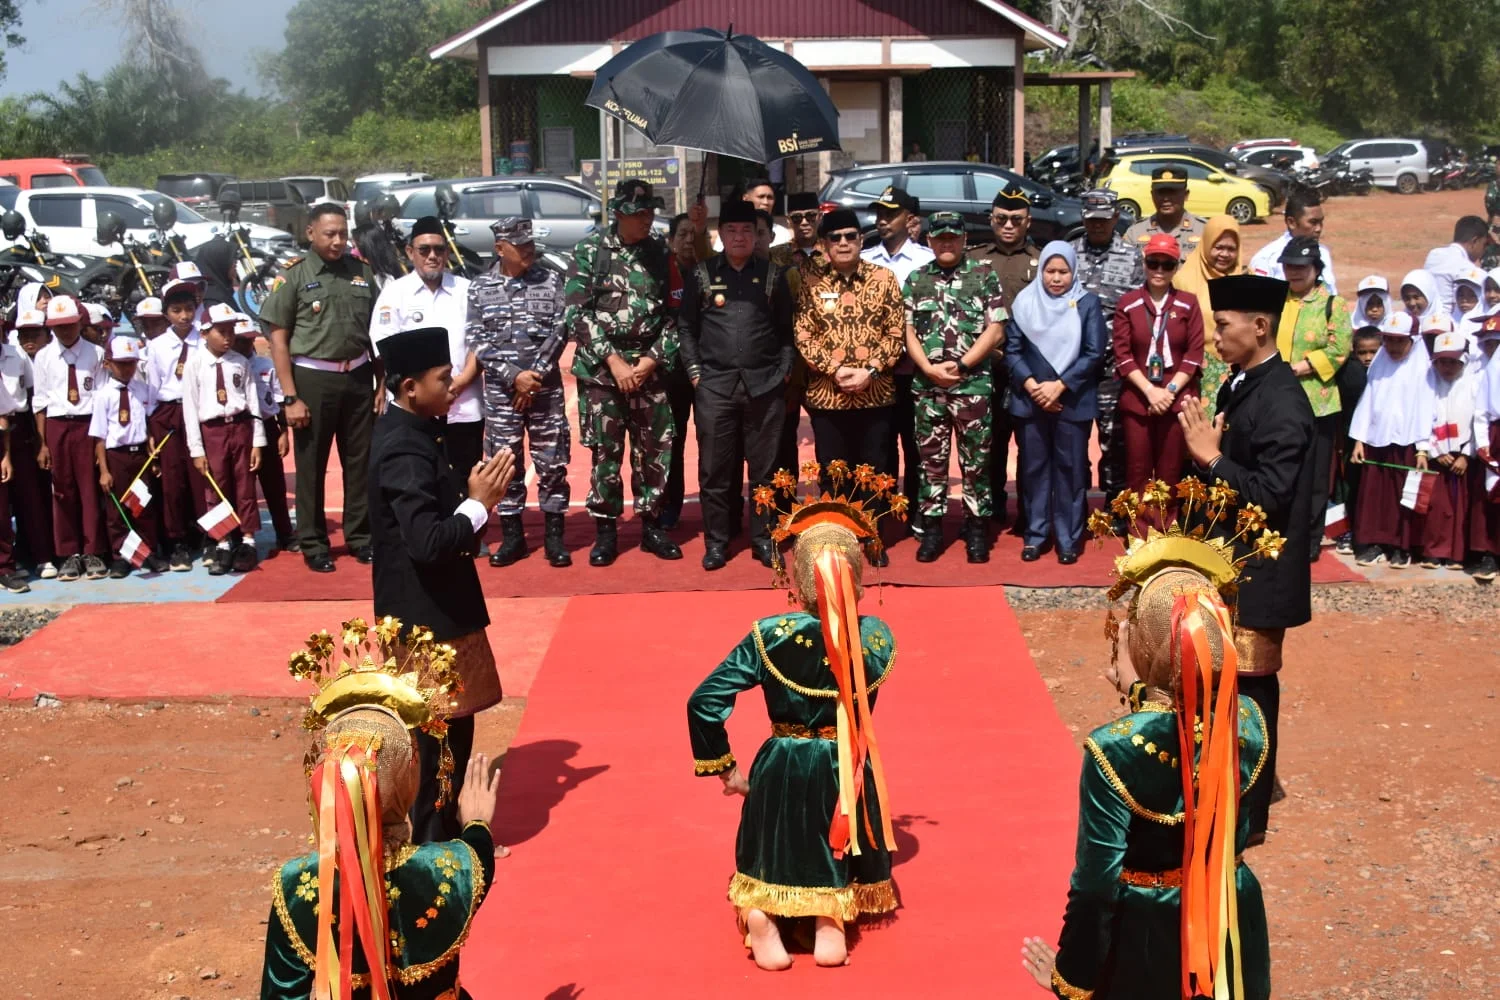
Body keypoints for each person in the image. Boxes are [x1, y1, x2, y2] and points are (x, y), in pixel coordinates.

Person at [1021, 508, 1275, 1000]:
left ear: (1142, 643)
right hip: (1229, 923)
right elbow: (1189, 719)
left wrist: (1072, 974)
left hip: (1152, 938)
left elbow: (1096, 884)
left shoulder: (1112, 750)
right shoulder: (1248, 720)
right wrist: (1143, 692)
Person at [688, 481, 899, 971]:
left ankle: (762, 915)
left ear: (798, 578)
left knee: (771, 840)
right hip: (845, 760)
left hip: (782, 759)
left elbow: (704, 700)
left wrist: (726, 769)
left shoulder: (769, 635)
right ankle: (828, 923)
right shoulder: (876, 637)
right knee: (835, 836)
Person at [258, 620, 502, 999]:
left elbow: (281, 995)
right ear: (409, 782)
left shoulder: (297, 888)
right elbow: (480, 852)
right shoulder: (455, 867)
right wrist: (477, 821)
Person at [1179, 273, 1315, 844]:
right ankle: (1224, 788)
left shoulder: (1284, 401)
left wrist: (1210, 459)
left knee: (1254, 692)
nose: (1215, 337)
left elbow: (1270, 496)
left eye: (1224, 325)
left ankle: (1247, 814)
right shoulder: (1243, 383)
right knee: (1224, 685)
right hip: (1234, 564)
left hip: (1263, 574)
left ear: (1259, 327)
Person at [369, 326, 515, 844]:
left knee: (451, 731)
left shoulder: (416, 433)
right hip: (425, 618)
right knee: (435, 741)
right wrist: (479, 502)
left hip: (437, 610)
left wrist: (473, 497)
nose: (453, 385)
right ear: (410, 387)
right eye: (442, 378)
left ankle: (447, 828)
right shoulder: (404, 449)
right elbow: (428, 542)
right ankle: (435, 845)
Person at [563, 178, 682, 567]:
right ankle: (606, 533)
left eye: (649, 212)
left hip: (650, 369)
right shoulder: (589, 251)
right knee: (606, 453)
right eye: (637, 214)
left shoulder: (660, 253)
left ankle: (652, 527)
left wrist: (650, 361)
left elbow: (675, 314)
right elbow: (576, 313)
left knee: (655, 452)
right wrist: (614, 361)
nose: (646, 220)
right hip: (603, 374)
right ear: (618, 214)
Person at [261, 203, 380, 574]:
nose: (338, 241)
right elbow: (278, 340)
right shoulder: (293, 276)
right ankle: (313, 542)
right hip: (313, 378)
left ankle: (361, 537)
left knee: (360, 464)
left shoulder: (361, 273)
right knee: (311, 465)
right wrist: (290, 396)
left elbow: (376, 333)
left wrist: (380, 383)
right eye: (330, 233)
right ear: (310, 233)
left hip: (359, 376)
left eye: (343, 233)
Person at [679, 199, 793, 571]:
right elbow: (687, 328)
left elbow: (786, 331)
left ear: (756, 234)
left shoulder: (773, 275)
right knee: (715, 470)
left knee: (765, 470)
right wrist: (696, 372)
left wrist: (784, 371)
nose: (740, 236)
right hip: (715, 387)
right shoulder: (701, 274)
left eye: (747, 230)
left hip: (765, 385)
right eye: (732, 230)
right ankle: (716, 542)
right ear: (720, 234)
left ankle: (764, 538)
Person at [793, 209, 905, 566]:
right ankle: (840, 538)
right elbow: (803, 334)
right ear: (824, 244)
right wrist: (836, 369)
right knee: (834, 470)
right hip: (829, 396)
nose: (844, 243)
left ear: (861, 239)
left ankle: (872, 536)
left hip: (875, 393)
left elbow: (896, 332)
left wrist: (869, 370)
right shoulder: (809, 281)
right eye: (836, 237)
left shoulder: (884, 279)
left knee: (876, 469)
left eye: (851, 236)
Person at [468, 217, 572, 569]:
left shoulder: (551, 279)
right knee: (505, 465)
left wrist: (534, 377)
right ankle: (512, 537)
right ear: (500, 248)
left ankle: (554, 539)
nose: (529, 249)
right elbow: (477, 340)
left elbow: (561, 329)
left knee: (552, 463)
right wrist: (514, 377)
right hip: (502, 394)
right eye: (520, 244)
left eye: (530, 242)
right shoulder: (480, 287)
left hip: (545, 392)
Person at [903, 211, 1006, 563]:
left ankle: (977, 531)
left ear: (964, 240)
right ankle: (931, 531)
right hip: (928, 388)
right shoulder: (917, 279)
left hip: (972, 384)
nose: (946, 243)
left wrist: (962, 365)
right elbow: (908, 332)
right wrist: (929, 369)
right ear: (929, 241)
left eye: (953, 237)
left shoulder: (984, 275)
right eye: (940, 237)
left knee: (976, 462)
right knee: (931, 463)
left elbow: (996, 329)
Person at [370, 216, 482, 518]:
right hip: (416, 405)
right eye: (424, 250)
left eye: (439, 249)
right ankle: (427, 526)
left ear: (447, 252)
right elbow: (384, 347)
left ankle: (467, 527)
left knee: (464, 468)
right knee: (422, 467)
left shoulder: (467, 290)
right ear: (410, 252)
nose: (432, 256)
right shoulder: (395, 294)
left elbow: (480, 343)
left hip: (464, 399)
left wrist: (459, 382)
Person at [1006, 241, 1107, 564]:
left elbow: (1094, 352)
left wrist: (1060, 386)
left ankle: (1068, 538)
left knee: (1071, 470)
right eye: (1050, 270)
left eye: (1064, 271)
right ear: (1041, 270)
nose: (1056, 278)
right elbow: (1012, 349)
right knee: (1034, 470)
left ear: (1074, 271)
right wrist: (1035, 386)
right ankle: (1036, 535)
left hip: (1072, 401)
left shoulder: (1087, 304)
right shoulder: (1025, 302)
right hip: (1030, 399)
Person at [1275, 236, 1353, 560]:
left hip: (1318, 400)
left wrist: (1303, 367)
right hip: (1278, 400)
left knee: (1316, 473)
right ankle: (1278, 534)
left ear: (1316, 269)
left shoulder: (1333, 304)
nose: (1293, 272)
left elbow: (1339, 348)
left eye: (1300, 267)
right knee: (1281, 467)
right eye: (1289, 266)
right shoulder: (1278, 298)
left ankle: (1309, 540)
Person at [969, 185, 1041, 527]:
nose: (1008, 225)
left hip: (1028, 368)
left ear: (1028, 222)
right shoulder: (974, 258)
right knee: (989, 442)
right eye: (1001, 219)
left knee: (1030, 444)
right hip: (987, 366)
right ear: (991, 220)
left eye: (1016, 219)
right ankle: (993, 507)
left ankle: (1029, 510)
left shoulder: (1042, 262)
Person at [1113, 234, 1204, 503]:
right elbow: (1123, 354)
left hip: (1176, 400)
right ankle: (1138, 535)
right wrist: (1151, 392)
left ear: (1177, 266)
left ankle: (1167, 533)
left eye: (1168, 264)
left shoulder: (1188, 303)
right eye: (1154, 263)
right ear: (1144, 263)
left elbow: (1193, 354)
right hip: (1139, 399)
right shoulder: (1128, 303)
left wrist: (1169, 392)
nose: (1159, 270)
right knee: (1138, 471)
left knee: (1171, 473)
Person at [862, 186, 935, 511]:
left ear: (911, 219)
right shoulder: (864, 259)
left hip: (917, 369)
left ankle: (919, 509)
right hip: (878, 370)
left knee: (917, 443)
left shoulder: (927, 260)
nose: (883, 220)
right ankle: (885, 508)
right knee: (880, 444)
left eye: (891, 214)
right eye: (880, 213)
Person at [1072, 189, 1146, 507]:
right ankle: (1075, 502)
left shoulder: (1132, 256)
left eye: (1104, 220)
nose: (1098, 226)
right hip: (1074, 366)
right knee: (1073, 438)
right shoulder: (1069, 254)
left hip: (1113, 367)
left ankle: (1116, 503)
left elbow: (1139, 310)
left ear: (1116, 218)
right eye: (1092, 221)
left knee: (1113, 437)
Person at [183, 302, 265, 576]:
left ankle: (248, 539)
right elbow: (190, 409)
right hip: (212, 431)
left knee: (244, 484)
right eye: (221, 331)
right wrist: (196, 449)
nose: (228, 337)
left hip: (240, 427)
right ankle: (222, 541)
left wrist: (257, 442)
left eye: (231, 331)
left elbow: (253, 402)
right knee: (216, 487)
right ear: (205, 333)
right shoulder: (195, 365)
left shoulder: (240, 363)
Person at [1348, 312, 1435, 570]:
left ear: (1412, 340)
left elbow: (1425, 407)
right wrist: (1359, 439)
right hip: (1377, 441)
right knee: (1375, 496)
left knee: (1403, 496)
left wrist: (1422, 448)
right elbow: (1369, 401)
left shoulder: (1422, 368)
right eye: (1389, 341)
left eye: (1400, 341)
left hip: (1407, 444)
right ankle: (1374, 542)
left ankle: (1401, 546)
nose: (1394, 347)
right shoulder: (1379, 364)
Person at [33, 295, 108, 582]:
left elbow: (101, 399)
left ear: (80, 322)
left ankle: (93, 550)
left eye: (70, 324)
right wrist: (42, 443)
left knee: (89, 487)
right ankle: (69, 552)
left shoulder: (95, 354)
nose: (65, 331)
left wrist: (98, 439)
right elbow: (40, 402)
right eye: (58, 326)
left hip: (87, 424)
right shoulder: (44, 356)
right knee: (61, 489)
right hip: (57, 425)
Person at [89, 335, 166, 579]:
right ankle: (120, 555)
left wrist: (152, 455)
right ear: (108, 364)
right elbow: (99, 436)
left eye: (131, 363)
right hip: (117, 456)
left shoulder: (142, 389)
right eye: (121, 364)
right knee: (116, 509)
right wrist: (104, 470)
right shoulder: (103, 395)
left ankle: (148, 551)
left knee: (142, 505)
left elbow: (149, 422)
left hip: (139, 455)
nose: (127, 369)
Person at [144, 280, 208, 572]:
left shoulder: (205, 342)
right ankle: (176, 542)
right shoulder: (156, 347)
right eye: (177, 310)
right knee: (172, 481)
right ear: (166, 314)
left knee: (202, 477)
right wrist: (150, 428)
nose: (184, 316)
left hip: (198, 411)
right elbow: (152, 389)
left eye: (189, 309)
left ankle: (206, 535)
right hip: (168, 413)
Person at [769, 193, 829, 473]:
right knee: (781, 440)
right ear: (787, 221)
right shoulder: (776, 256)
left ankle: (835, 504)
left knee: (830, 438)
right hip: (787, 360)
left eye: (810, 216)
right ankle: (784, 507)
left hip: (825, 361)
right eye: (797, 218)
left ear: (820, 216)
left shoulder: (834, 253)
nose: (804, 222)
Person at [236, 314, 295, 555]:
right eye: (240, 339)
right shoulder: (229, 366)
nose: (245, 344)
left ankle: (285, 534)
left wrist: (283, 432)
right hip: (240, 429)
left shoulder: (265, 366)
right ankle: (242, 537)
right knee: (242, 486)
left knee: (274, 484)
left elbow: (279, 399)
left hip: (268, 425)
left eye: (249, 339)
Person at [1173, 215, 1245, 412]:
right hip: (1195, 374)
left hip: (1239, 371)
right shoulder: (1183, 282)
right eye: (1218, 247)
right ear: (1206, 244)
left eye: (1231, 249)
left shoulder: (1246, 281)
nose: (1224, 254)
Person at [1418, 329, 1477, 570]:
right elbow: (1422, 418)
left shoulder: (1472, 384)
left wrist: (1465, 454)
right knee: (1436, 508)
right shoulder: (1428, 383)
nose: (1447, 368)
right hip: (1438, 457)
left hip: (1463, 458)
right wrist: (1434, 450)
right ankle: (1434, 551)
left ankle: (1457, 554)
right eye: (1442, 362)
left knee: (1461, 508)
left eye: (1453, 362)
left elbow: (1478, 421)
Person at [7, 308, 54, 582]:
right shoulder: (19, 354)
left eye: (34, 333)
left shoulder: (17, 358)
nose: (28, 339)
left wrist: (40, 442)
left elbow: (34, 399)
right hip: (11, 428)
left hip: (28, 431)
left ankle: (43, 555)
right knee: (10, 501)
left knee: (32, 498)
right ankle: (17, 556)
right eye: (23, 334)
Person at [1331, 325, 1383, 555]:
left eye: (1373, 352)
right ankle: (1347, 530)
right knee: (1349, 485)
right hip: (1350, 438)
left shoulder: (1386, 371)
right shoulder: (1351, 373)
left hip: (1380, 439)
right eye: (1362, 353)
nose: (1368, 358)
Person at [661, 213, 698, 528]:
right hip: (672, 371)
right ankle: (671, 504)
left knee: (715, 441)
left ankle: (719, 505)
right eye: (683, 234)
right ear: (671, 241)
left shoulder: (710, 271)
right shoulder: (663, 273)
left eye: (694, 234)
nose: (689, 240)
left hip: (707, 370)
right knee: (673, 439)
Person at [1248, 187, 1338, 293]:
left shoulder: (1323, 252)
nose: (1319, 229)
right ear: (1291, 223)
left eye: (1320, 222)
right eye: (1313, 222)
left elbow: (1331, 294)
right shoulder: (1267, 258)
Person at [1469, 314, 1500, 581]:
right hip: (1496, 433)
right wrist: (1484, 443)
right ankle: (1489, 554)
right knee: (1491, 497)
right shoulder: (1488, 369)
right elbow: (1481, 410)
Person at [1124, 167, 1207, 258]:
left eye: (1172, 192)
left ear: (1186, 195)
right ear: (1152, 195)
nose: (1166, 198)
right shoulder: (1135, 232)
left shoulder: (1204, 231)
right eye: (1161, 192)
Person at [1423, 215, 1489, 317]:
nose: (1484, 250)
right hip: (1450, 323)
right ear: (1474, 241)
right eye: (1484, 244)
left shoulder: (1433, 254)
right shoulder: (1468, 269)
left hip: (1426, 320)